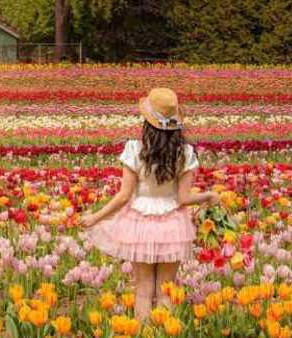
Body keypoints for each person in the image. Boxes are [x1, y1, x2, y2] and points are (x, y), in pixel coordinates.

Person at [79, 87, 220, 320]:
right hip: (172, 224)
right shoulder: (184, 152)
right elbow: (183, 199)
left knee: (143, 291)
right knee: (166, 290)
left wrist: (96, 217)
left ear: (147, 122)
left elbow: (124, 196)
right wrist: (208, 196)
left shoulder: (135, 149)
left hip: (139, 222)